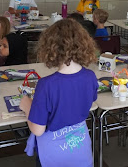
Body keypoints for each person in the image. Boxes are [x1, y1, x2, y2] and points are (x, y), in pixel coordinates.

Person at [19, 19, 98, 167]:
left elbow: (37, 129)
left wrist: (27, 106)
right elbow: (87, 100)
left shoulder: (46, 85)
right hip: (81, 148)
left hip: (53, 154)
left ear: (50, 48)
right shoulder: (90, 76)